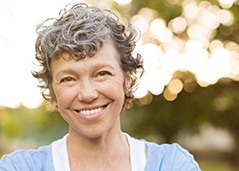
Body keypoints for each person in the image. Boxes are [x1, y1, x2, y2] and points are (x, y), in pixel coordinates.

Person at [0, 3, 201, 171]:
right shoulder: (19, 167)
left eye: (102, 74)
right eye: (68, 79)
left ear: (127, 78)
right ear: (52, 91)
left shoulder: (172, 164)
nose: (87, 94)